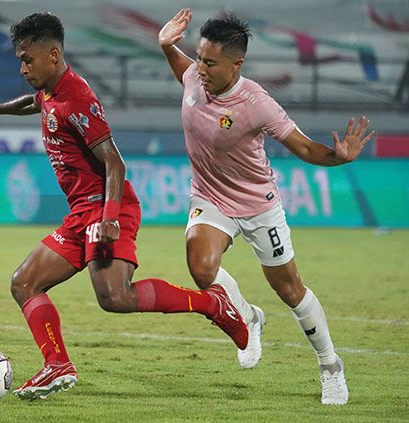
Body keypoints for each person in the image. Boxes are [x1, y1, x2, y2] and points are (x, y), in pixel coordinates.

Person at [0, 12, 249, 401]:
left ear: (53, 54)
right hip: (80, 213)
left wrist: (110, 219)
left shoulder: (78, 97)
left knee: (115, 298)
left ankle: (213, 303)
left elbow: (114, 162)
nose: (22, 67)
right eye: (20, 59)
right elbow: (36, 103)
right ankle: (57, 364)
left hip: (106, 208)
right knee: (24, 283)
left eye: (27, 59)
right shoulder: (52, 91)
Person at [157, 9, 375, 405]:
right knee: (201, 268)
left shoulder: (256, 103)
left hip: (258, 204)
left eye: (210, 62)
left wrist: (338, 157)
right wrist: (165, 43)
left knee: (289, 289)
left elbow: (305, 146)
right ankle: (247, 317)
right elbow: (180, 64)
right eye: (199, 57)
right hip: (210, 197)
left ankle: (331, 366)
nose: (200, 68)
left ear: (236, 64)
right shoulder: (193, 78)